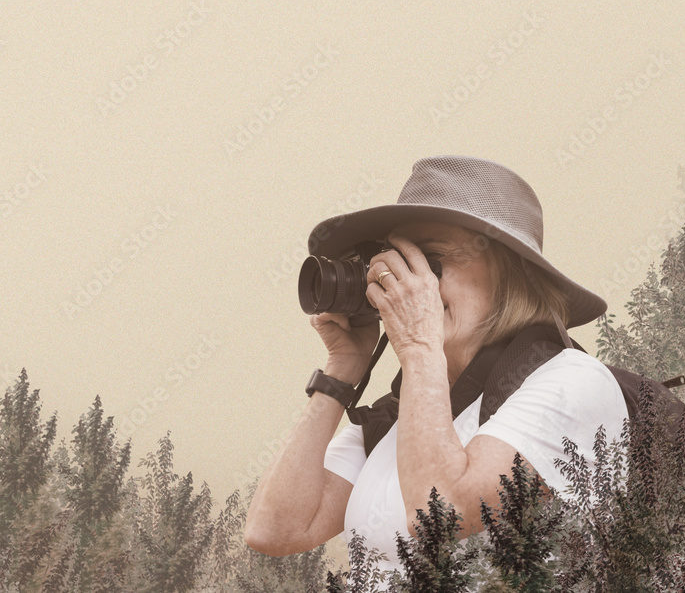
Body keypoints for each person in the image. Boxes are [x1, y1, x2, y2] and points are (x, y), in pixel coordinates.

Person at [244, 155, 629, 580]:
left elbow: (439, 514)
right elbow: (276, 530)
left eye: (430, 260)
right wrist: (342, 371)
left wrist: (418, 344)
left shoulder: (572, 382)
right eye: (394, 260)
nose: (405, 281)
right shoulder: (402, 412)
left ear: (510, 275)